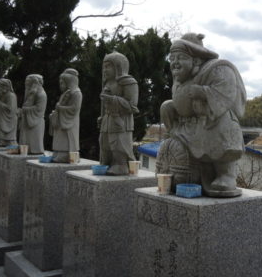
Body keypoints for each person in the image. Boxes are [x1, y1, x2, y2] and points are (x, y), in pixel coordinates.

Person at [160, 33, 246, 196]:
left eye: (181, 58)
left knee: (221, 125)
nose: (175, 62)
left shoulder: (217, 68)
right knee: (166, 107)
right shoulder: (180, 78)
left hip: (211, 121)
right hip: (188, 124)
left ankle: (226, 175)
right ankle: (195, 170)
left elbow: (226, 92)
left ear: (196, 60)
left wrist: (202, 92)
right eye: (172, 59)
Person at [98, 52, 139, 175]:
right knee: (104, 143)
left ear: (118, 66)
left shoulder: (128, 82)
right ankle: (106, 163)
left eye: (108, 66)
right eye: (104, 67)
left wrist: (112, 100)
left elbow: (132, 106)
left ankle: (121, 165)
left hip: (121, 121)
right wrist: (102, 117)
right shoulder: (107, 83)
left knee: (118, 143)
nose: (105, 70)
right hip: (107, 119)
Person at [49, 68, 82, 162]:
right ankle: (58, 151)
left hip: (69, 120)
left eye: (62, 83)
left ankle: (66, 154)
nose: (60, 85)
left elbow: (74, 109)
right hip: (61, 118)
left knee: (67, 137)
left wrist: (60, 108)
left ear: (69, 82)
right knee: (59, 136)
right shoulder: (65, 94)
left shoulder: (77, 93)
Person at [19, 74, 47, 154]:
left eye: (28, 84)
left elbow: (39, 109)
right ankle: (25, 150)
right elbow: (27, 103)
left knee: (34, 142)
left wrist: (25, 109)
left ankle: (35, 150)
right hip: (29, 119)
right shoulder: (32, 93)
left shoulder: (41, 94)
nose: (27, 87)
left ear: (34, 83)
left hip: (35, 120)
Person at [0, 78, 18, 146]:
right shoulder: (2, 95)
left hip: (10, 118)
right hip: (3, 117)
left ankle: (10, 141)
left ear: (5, 87)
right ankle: (2, 141)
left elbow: (10, 108)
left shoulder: (11, 95)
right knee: (2, 127)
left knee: (9, 135)